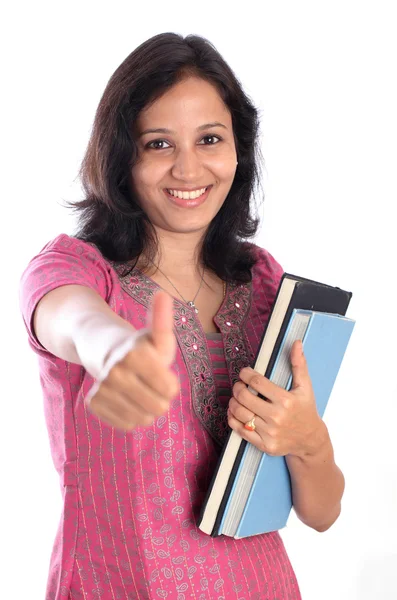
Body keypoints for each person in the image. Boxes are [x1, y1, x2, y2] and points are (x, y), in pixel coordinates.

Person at [19, 32, 345, 600]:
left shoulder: (264, 282)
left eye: (209, 139)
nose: (188, 169)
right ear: (122, 157)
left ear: (238, 150)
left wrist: (308, 442)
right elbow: (69, 319)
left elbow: (322, 513)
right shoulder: (79, 270)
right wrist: (114, 349)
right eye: (159, 144)